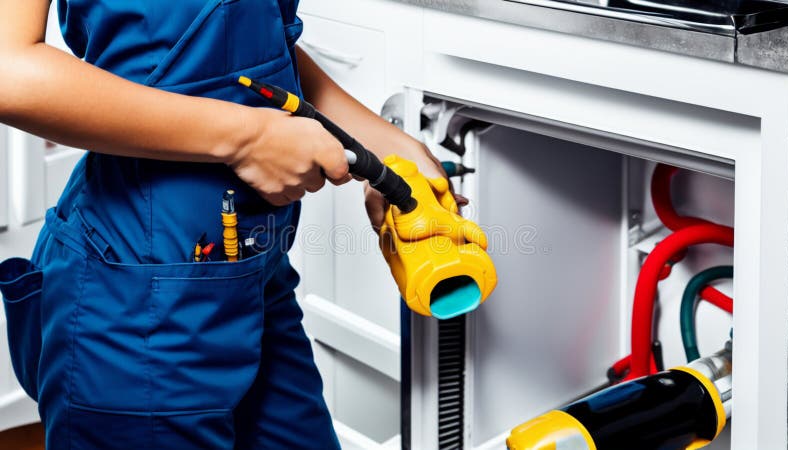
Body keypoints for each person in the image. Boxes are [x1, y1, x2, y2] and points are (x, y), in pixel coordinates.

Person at [0, 1, 461, 448]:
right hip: (138, 297)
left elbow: (247, 36)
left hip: (254, 278)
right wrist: (248, 138)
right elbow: (9, 71)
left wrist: (380, 144)